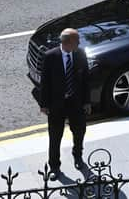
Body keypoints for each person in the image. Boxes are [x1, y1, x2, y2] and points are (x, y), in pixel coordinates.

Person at [39, 28, 91, 180]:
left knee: (79, 132)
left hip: (76, 103)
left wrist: (87, 101)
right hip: (57, 104)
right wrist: (44, 104)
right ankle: (54, 166)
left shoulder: (80, 54)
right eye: (77, 40)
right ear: (67, 43)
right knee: (55, 137)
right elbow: (45, 82)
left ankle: (78, 157)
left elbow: (86, 79)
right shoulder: (50, 57)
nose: (79, 43)